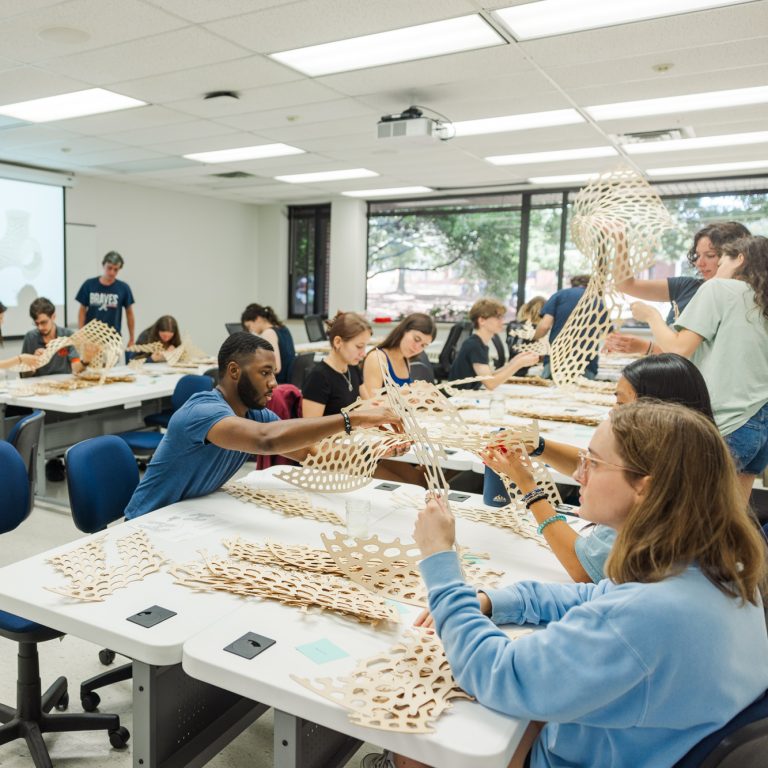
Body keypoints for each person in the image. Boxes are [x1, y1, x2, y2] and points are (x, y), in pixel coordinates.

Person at [393, 401, 768, 768]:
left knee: (417, 740)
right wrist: (494, 601)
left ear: (646, 488)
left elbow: (496, 672)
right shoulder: (718, 567)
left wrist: (440, 561)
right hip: (640, 741)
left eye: (594, 462)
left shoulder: (645, 616)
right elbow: (597, 595)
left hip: (579, 756)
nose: (579, 474)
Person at [482, 353, 714, 583]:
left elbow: (583, 568)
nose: (613, 411)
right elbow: (599, 467)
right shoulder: (698, 462)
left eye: (622, 403)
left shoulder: (655, 498)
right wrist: (538, 446)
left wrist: (528, 487)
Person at [124, 332, 400, 519]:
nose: (273, 384)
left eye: (274, 374)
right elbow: (266, 440)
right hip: (147, 523)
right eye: (264, 373)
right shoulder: (203, 411)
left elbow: (312, 454)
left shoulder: (255, 414)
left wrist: (376, 452)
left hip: (189, 516)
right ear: (234, 371)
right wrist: (353, 419)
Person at [631, 235, 768, 501]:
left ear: (739, 258)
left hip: (727, 422)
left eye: (721, 258)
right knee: (735, 520)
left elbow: (678, 349)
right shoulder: (761, 300)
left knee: (694, 518)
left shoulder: (718, 289)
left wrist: (651, 316)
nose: (712, 267)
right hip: (760, 424)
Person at [606, 221, 750, 354]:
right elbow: (626, 284)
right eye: (697, 255)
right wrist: (620, 242)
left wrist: (650, 321)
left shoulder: (739, 298)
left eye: (710, 256)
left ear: (736, 258)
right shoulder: (688, 286)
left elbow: (683, 350)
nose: (700, 263)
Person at [449, 298, 539, 390]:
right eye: (498, 317)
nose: (502, 321)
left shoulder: (479, 343)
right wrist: (518, 364)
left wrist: (513, 362)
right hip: (456, 398)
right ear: (482, 320)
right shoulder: (474, 345)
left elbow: (489, 376)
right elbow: (490, 384)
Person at [302, 311, 372, 417]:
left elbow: (367, 405)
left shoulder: (353, 367)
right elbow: (311, 428)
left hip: (355, 432)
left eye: (365, 346)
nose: (363, 354)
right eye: (359, 346)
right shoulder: (318, 378)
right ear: (338, 342)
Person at [533, 275, 601, 379]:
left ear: (572, 284)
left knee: (548, 394)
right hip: (586, 362)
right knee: (583, 393)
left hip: (557, 359)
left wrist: (533, 340)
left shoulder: (560, 295)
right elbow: (609, 333)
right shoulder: (597, 300)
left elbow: (544, 326)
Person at [362, 313, 436, 393]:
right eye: (416, 339)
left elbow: (404, 396)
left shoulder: (405, 359)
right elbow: (371, 402)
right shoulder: (377, 358)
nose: (417, 348)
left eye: (423, 345)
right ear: (404, 330)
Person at [75, 250, 135, 345]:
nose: (112, 272)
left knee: (111, 360)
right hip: (90, 337)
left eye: (116, 269)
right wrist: (80, 332)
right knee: (88, 360)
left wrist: (132, 337)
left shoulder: (123, 288)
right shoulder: (89, 285)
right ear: (103, 265)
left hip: (112, 338)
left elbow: (130, 313)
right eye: (109, 268)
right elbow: (82, 310)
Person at [20, 297, 90, 377]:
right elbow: (24, 375)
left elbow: (76, 368)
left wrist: (86, 361)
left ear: (53, 317)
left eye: (43, 322)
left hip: (64, 384)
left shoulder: (67, 335)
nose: (40, 327)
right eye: (36, 323)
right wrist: (33, 363)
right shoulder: (30, 338)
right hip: (40, 385)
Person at [241, 303, 296, 386]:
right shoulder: (283, 328)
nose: (250, 331)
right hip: (288, 381)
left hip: (278, 383)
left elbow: (276, 368)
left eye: (249, 326)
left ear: (258, 319)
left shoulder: (268, 333)